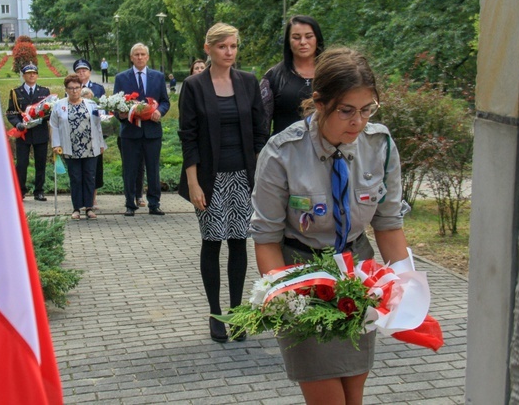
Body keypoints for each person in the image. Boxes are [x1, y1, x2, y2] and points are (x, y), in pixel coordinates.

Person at [250, 47, 412, 404]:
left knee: (354, 395)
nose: (358, 122)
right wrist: (284, 297)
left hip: (358, 276)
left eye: (367, 110)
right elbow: (266, 238)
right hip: (302, 277)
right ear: (319, 103)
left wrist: (408, 285)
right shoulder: (282, 153)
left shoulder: (379, 145)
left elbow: (387, 224)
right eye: (347, 111)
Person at [178, 23, 268, 342]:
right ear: (208, 49)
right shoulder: (193, 86)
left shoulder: (247, 82)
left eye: (233, 46)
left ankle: (238, 313)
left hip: (244, 177)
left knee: (239, 242)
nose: (229, 52)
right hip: (209, 179)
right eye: (222, 47)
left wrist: (260, 177)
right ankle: (216, 314)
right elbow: (187, 137)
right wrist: (193, 183)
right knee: (213, 242)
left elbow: (260, 133)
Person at [113, 43, 170, 216]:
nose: (139, 57)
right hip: (130, 131)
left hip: (152, 131)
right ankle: (130, 203)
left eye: (142, 54)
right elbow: (116, 103)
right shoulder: (121, 78)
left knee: (153, 168)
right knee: (129, 169)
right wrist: (120, 115)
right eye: (136, 54)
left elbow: (165, 101)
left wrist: (159, 112)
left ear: (147, 57)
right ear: (131, 57)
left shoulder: (158, 77)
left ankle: (154, 203)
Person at [50, 73, 106, 220]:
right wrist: (56, 144)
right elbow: (54, 126)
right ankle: (76, 208)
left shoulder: (91, 104)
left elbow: (98, 125)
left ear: (81, 88)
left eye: (77, 87)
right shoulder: (59, 106)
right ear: (66, 89)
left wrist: (101, 143)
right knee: (75, 177)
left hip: (90, 146)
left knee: (89, 177)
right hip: (71, 147)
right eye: (71, 88)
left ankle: (89, 207)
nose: (74, 91)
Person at [260, 15, 325, 135]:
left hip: (326, 149)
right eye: (296, 37)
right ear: (288, 42)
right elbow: (261, 123)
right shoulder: (273, 77)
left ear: (317, 39)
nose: (303, 42)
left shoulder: (331, 74)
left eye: (309, 36)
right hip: (284, 150)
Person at [6, 62, 51, 201]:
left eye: (34, 73)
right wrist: (17, 123)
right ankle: (21, 191)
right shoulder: (16, 92)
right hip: (23, 133)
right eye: (29, 73)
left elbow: (49, 111)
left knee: (40, 163)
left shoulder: (44, 92)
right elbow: (11, 112)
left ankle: (39, 191)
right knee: (22, 164)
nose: (32, 75)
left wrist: (42, 117)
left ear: (37, 75)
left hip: (40, 132)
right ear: (24, 75)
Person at [74, 59, 107, 207]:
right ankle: (79, 200)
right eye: (79, 71)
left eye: (84, 70)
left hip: (94, 135)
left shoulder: (98, 89)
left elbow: (105, 110)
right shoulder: (71, 88)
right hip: (76, 135)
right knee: (78, 170)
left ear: (89, 72)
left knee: (94, 169)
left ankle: (92, 199)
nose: (82, 73)